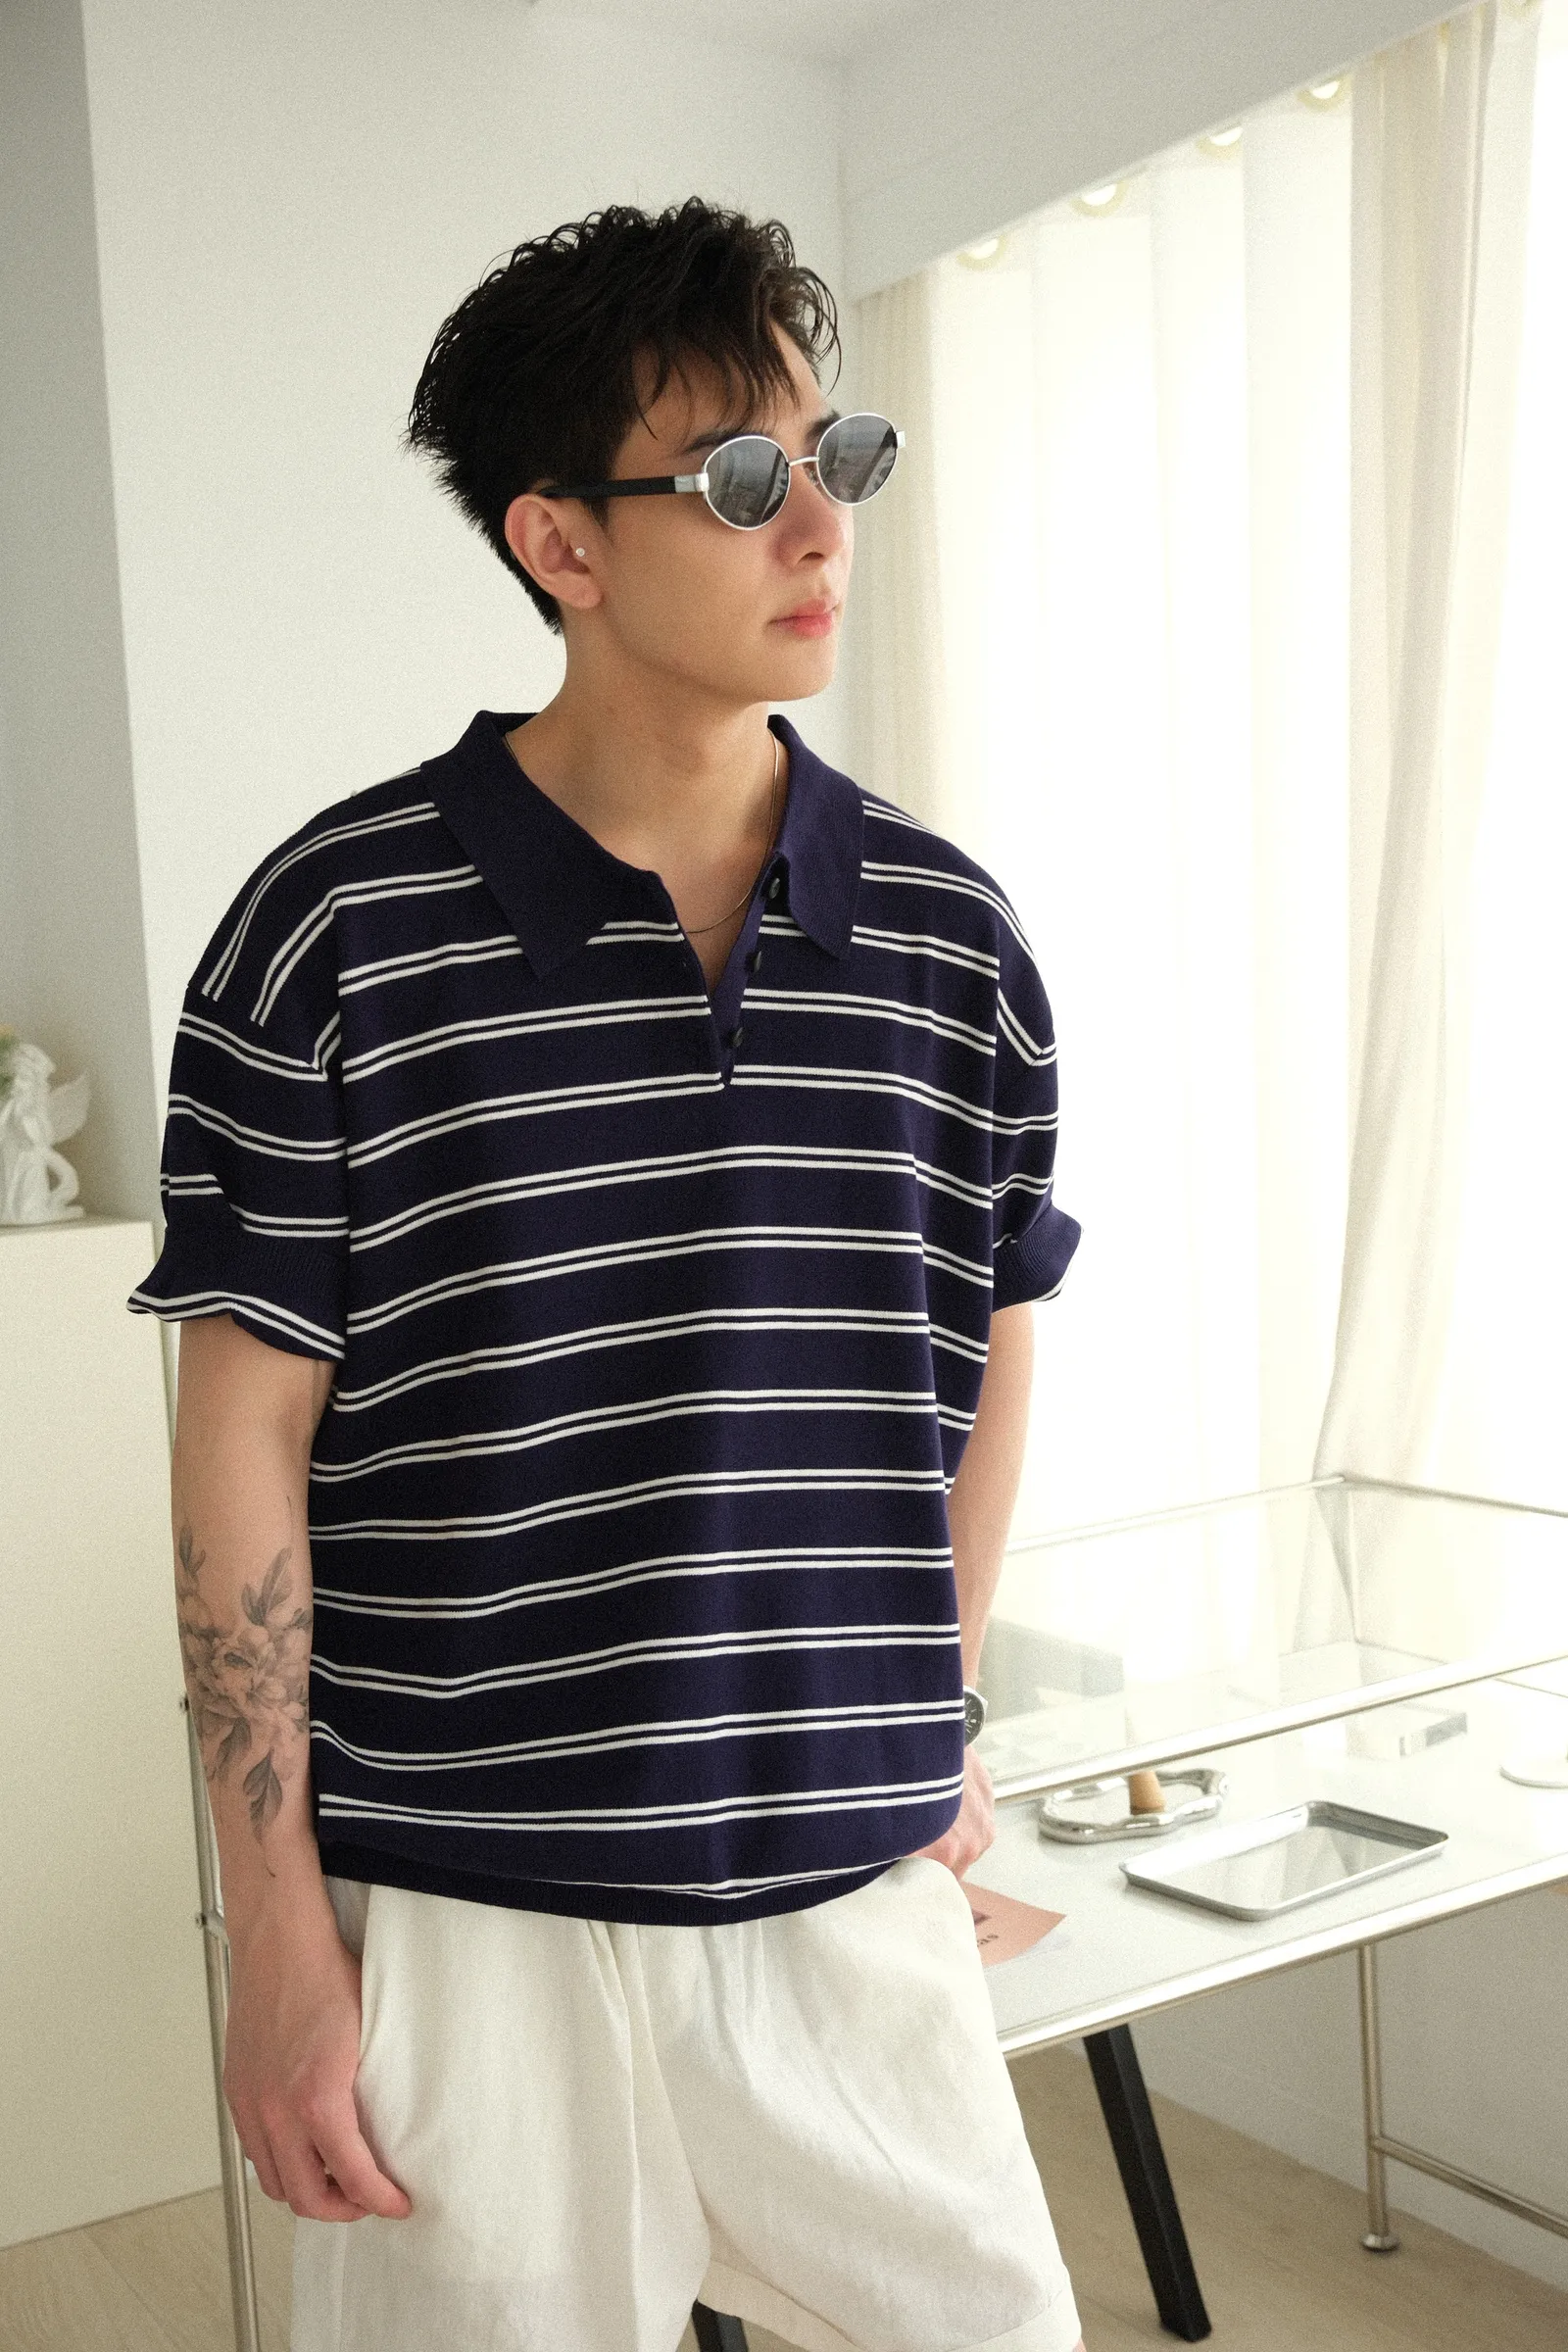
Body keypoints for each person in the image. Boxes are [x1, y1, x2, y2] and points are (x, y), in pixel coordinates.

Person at [130, 197, 1088, 2352]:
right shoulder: (333, 930)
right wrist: (273, 1935)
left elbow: (987, 1344)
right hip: (468, 1915)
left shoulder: (949, 939)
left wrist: (936, 1708)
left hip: (848, 1895)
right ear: (558, 541)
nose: (820, 529)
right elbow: (242, 1431)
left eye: (837, 461)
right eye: (742, 481)